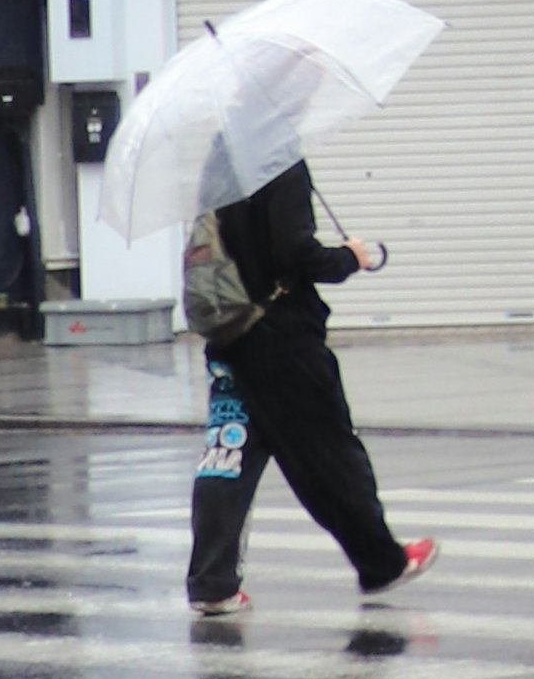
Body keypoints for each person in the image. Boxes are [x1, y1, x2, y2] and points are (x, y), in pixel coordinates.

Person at [184, 159, 435, 611]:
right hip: (283, 341)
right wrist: (348, 258)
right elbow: (294, 253)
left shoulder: (221, 165)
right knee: (332, 456)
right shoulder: (279, 164)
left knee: (227, 459)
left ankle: (211, 583)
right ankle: (382, 563)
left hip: (229, 335)